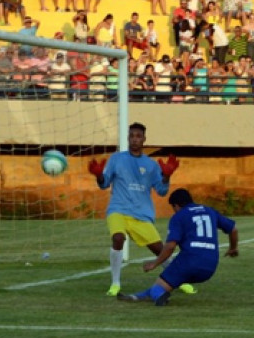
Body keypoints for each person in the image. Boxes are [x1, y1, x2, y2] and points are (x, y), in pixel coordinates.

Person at [87, 122, 184, 297]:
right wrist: (99, 175)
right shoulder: (116, 159)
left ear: (144, 139)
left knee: (160, 250)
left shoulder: (152, 165)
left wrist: (167, 175)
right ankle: (115, 283)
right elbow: (104, 184)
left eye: (138, 136)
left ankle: (179, 280)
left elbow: (161, 192)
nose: (135, 139)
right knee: (118, 238)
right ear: (128, 138)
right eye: (132, 136)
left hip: (141, 214)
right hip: (118, 210)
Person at [117, 188, 239, 306]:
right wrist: (233, 248)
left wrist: (155, 263)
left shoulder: (179, 216)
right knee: (164, 283)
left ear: (176, 205)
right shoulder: (210, 211)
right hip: (210, 266)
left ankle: (159, 297)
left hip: (190, 262)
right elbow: (233, 229)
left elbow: (170, 246)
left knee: (159, 288)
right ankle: (135, 297)